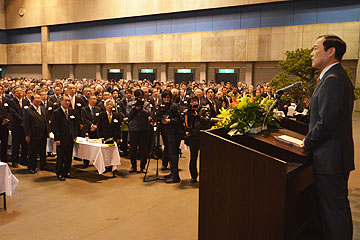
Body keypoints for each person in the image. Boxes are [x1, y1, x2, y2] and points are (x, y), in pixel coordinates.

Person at [302, 35, 354, 240]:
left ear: (331, 51)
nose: (311, 53)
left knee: (333, 214)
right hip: (333, 157)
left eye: (315, 48)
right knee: (336, 211)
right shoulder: (335, 76)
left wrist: (307, 142)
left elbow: (326, 122)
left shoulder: (332, 80)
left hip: (330, 159)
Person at [157, 90, 182, 183]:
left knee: (173, 153)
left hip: (174, 133)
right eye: (165, 97)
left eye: (168, 97)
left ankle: (175, 175)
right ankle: (172, 172)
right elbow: (156, 116)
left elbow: (180, 119)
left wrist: (170, 121)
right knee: (168, 152)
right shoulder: (161, 106)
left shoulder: (174, 106)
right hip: (165, 132)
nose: (166, 99)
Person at [184, 95, 211, 183]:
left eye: (194, 101)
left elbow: (206, 121)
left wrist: (197, 116)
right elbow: (187, 126)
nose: (193, 103)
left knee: (205, 158)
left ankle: (205, 176)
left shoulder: (204, 109)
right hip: (193, 136)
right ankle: (193, 176)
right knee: (193, 157)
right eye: (191, 102)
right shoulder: (189, 111)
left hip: (203, 136)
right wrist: (187, 115)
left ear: (198, 101)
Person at [51, 95, 78, 181]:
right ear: (61, 101)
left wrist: (75, 135)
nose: (67, 102)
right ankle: (59, 172)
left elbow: (74, 124)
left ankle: (67, 171)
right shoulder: (57, 112)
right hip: (61, 138)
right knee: (61, 157)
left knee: (68, 156)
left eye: (68, 101)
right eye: (65, 101)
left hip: (70, 138)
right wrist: (57, 138)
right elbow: (54, 127)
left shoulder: (71, 111)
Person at [23, 94, 51, 173]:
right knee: (33, 152)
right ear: (32, 101)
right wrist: (27, 135)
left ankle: (43, 165)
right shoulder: (28, 110)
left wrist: (48, 131)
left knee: (43, 151)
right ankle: (31, 167)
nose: (39, 100)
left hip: (43, 134)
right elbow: (26, 124)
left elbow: (46, 121)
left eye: (39, 98)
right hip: (33, 135)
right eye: (37, 98)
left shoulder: (43, 108)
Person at [126, 89, 151, 173]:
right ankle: (133, 166)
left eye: (141, 97)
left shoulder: (146, 104)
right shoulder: (130, 104)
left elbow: (148, 114)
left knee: (143, 149)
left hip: (143, 129)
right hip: (133, 129)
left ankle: (143, 166)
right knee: (133, 149)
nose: (139, 99)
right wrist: (134, 108)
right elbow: (129, 116)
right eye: (138, 97)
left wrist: (141, 108)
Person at [8, 87, 28, 167]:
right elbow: (13, 112)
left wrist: (25, 121)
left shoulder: (25, 101)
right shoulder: (11, 101)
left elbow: (27, 112)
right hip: (16, 125)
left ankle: (23, 160)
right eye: (18, 91)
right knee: (15, 144)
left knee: (24, 144)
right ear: (14, 93)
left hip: (25, 126)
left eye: (21, 91)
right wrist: (22, 120)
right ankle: (14, 161)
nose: (20, 93)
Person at [80, 94, 102, 168]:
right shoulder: (84, 109)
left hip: (96, 130)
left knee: (96, 146)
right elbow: (84, 119)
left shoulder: (98, 109)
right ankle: (86, 161)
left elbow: (100, 119)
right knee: (87, 147)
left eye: (95, 99)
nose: (94, 100)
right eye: (93, 99)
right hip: (87, 129)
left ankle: (96, 161)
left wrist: (96, 126)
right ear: (89, 100)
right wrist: (91, 125)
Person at [0, 85, 10, 162]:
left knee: (4, 142)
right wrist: (2, 119)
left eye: (1, 89)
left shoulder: (6, 99)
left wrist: (6, 119)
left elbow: (9, 111)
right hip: (1, 121)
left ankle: (4, 157)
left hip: (5, 124)